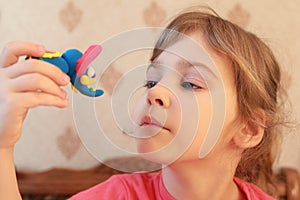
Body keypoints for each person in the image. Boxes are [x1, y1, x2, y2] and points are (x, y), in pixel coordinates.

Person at [0, 6, 287, 200]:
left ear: (248, 129)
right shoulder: (116, 195)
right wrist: (2, 146)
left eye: (190, 83)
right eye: (152, 81)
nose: (155, 93)